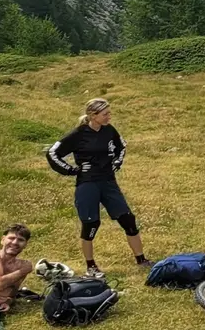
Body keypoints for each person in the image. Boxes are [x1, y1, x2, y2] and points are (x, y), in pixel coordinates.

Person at [48, 98, 147, 279]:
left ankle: (141, 260)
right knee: (91, 224)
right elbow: (53, 153)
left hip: (108, 182)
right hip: (87, 184)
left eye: (109, 113)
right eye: (105, 114)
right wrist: (71, 170)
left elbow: (121, 146)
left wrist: (117, 162)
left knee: (128, 219)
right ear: (93, 116)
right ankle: (91, 266)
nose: (109, 116)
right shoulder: (79, 134)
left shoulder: (109, 130)